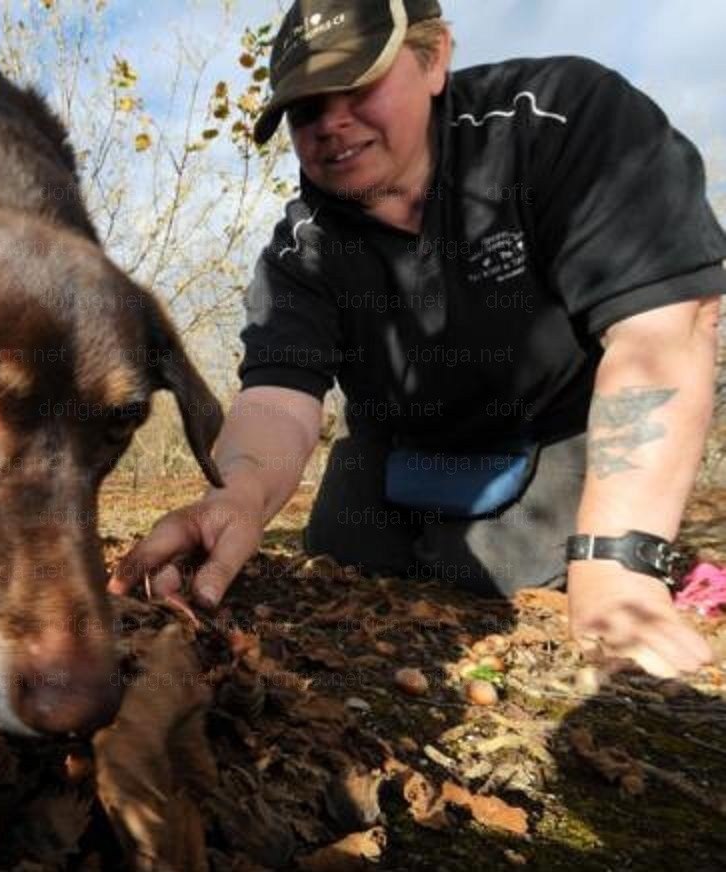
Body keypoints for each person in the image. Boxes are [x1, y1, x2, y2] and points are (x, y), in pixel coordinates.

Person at [110, 0, 724, 678]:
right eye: (307, 108)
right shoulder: (300, 251)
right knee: (344, 552)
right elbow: (277, 399)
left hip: (555, 432)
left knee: (510, 567)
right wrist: (237, 497)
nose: (333, 123)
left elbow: (664, 326)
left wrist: (619, 560)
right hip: (397, 448)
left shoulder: (563, 122)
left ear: (434, 58)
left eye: (359, 85)